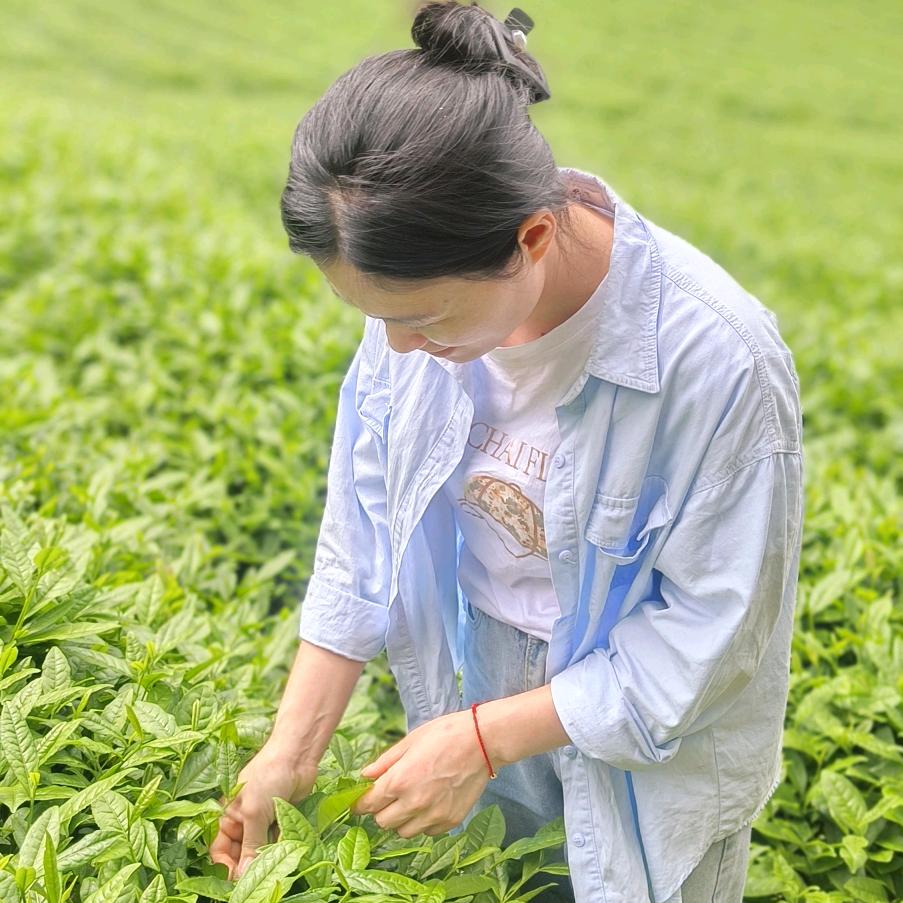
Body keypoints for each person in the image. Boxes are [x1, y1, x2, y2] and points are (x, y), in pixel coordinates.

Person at [209, 2, 805, 901]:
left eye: (419, 318)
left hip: (642, 750)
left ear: (529, 237)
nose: (395, 349)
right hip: (472, 676)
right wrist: (289, 756)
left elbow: (707, 644)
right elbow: (361, 537)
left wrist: (487, 738)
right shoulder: (414, 320)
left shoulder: (717, 362)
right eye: (375, 318)